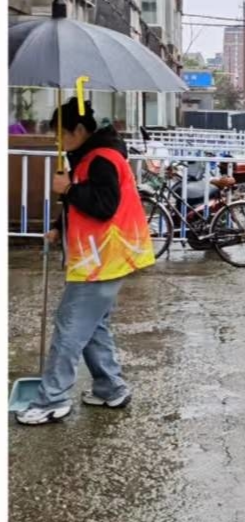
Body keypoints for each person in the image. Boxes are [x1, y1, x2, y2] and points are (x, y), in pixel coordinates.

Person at [16, 98, 155, 426]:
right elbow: (81, 203)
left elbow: (104, 206)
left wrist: (69, 189)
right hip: (98, 258)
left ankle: (52, 400)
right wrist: (56, 226)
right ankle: (110, 388)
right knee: (93, 327)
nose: (58, 142)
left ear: (79, 130)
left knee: (69, 326)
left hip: (101, 260)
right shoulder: (86, 157)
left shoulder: (102, 159)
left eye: (61, 134)